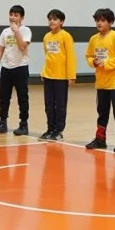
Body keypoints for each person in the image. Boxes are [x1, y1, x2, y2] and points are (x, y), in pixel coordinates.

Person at [84, 8, 115, 154]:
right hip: (102, 82)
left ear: (110, 22)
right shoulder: (94, 39)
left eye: (103, 20)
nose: (99, 23)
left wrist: (107, 63)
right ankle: (100, 139)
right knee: (102, 112)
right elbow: (88, 56)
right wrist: (93, 62)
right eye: (97, 20)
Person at [0, 5, 32, 135]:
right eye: (11, 14)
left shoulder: (25, 30)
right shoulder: (5, 32)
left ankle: (23, 124)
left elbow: (22, 47)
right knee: (3, 97)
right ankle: (2, 122)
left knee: (22, 97)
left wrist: (16, 32)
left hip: (20, 68)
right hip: (6, 68)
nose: (12, 17)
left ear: (22, 17)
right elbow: (0, 51)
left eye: (16, 15)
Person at [40, 9, 76, 141]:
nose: (52, 21)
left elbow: (71, 57)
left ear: (61, 22)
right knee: (49, 105)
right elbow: (47, 57)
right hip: (48, 76)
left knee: (60, 105)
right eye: (50, 19)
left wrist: (71, 76)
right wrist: (44, 72)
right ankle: (50, 128)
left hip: (61, 77)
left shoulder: (66, 36)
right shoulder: (46, 37)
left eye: (55, 19)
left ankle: (58, 130)